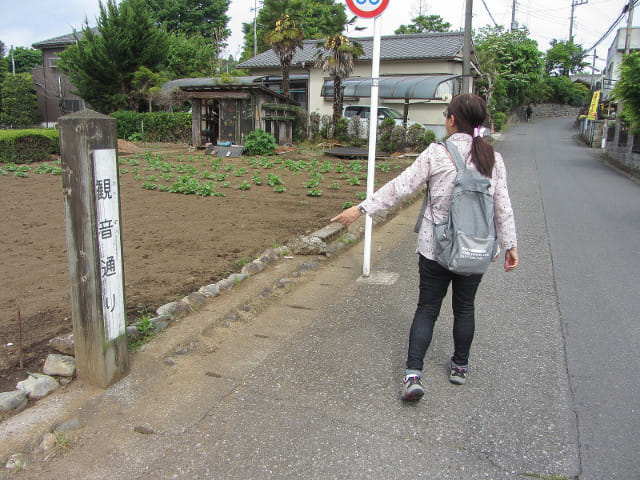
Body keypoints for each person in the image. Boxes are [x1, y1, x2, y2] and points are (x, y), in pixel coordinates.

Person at [331, 94, 518, 401]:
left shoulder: (437, 153)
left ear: (453, 120)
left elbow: (400, 187)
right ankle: (459, 367)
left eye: (446, 115)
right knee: (465, 308)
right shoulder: (492, 159)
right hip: (477, 249)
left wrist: (361, 209)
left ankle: (413, 374)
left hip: (437, 249)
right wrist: (510, 245)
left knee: (427, 309)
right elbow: (503, 207)